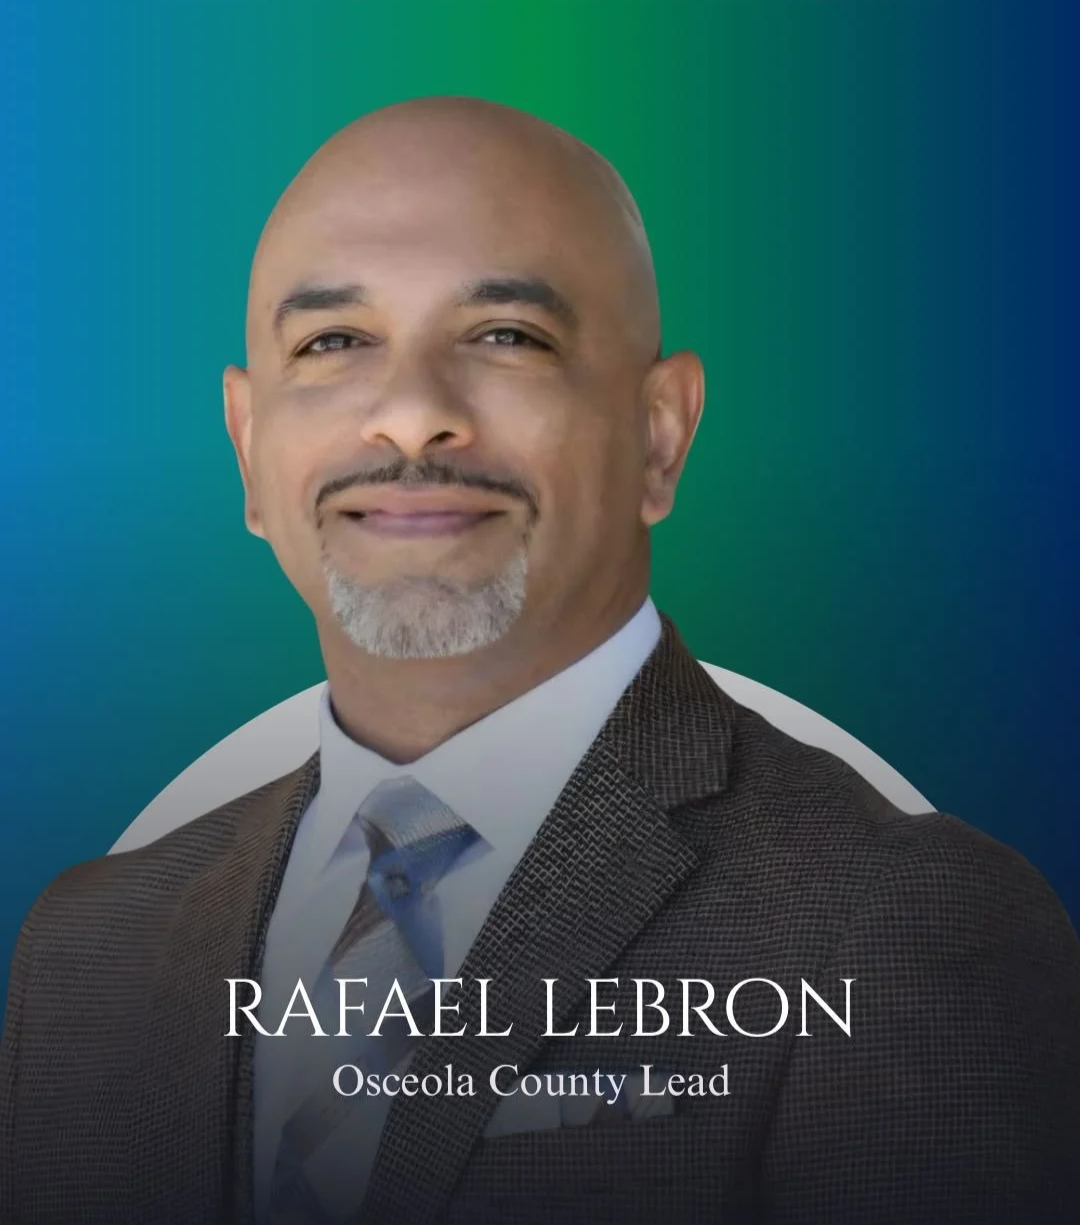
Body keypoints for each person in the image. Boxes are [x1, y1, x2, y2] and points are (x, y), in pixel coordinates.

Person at [2, 96, 1078, 1225]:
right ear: (247, 448)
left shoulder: (905, 922)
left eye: (506, 336)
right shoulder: (84, 950)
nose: (413, 417)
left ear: (660, 431)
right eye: (334, 343)